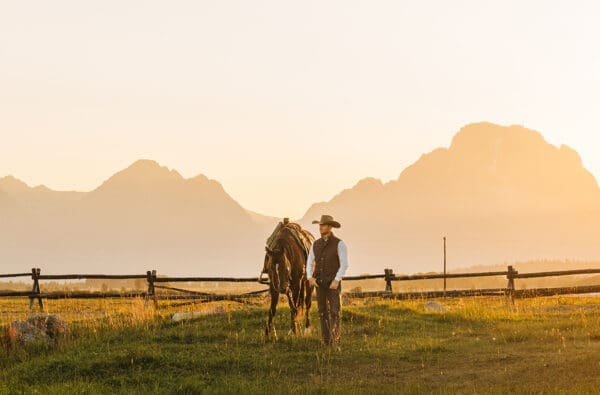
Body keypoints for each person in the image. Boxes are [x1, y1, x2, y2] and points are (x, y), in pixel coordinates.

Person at [306, 215, 349, 347]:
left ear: (330, 227)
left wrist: (337, 280)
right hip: (319, 283)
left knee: (335, 311)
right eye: (320, 225)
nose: (320, 227)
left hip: (333, 283)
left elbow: (344, 264)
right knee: (322, 311)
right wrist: (310, 277)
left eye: (323, 225)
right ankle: (325, 341)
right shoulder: (316, 244)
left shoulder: (339, 243)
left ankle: (334, 340)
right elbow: (309, 262)